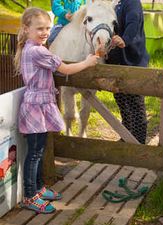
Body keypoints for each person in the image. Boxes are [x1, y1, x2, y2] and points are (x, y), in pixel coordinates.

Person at [14, 7, 98, 214]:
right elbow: (67, 69)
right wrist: (87, 62)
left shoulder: (30, 48)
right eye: (39, 28)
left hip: (38, 104)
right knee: (34, 154)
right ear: (26, 29)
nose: (44, 32)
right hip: (37, 107)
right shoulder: (38, 51)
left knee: (39, 150)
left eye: (47, 28)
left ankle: (39, 188)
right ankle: (30, 196)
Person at [106, 0, 149, 144]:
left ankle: (139, 141)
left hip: (132, 59)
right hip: (116, 59)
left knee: (134, 101)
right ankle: (127, 136)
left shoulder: (131, 2)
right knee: (122, 101)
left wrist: (125, 39)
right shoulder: (113, 3)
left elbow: (133, 22)